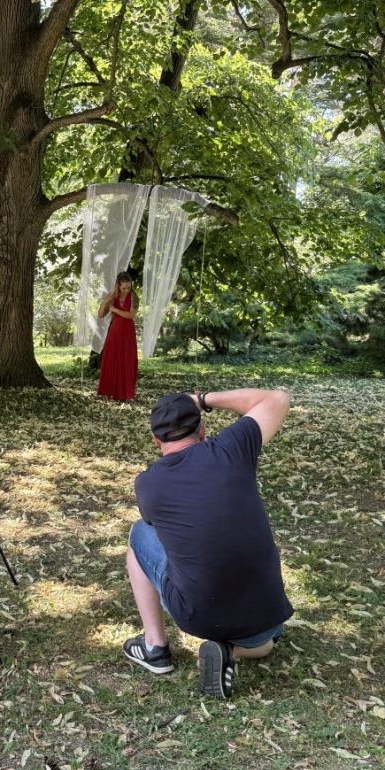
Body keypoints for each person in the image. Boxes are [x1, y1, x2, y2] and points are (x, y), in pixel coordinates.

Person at [123, 389, 293, 699]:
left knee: (139, 534)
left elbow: (160, 530)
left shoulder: (148, 484)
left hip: (199, 616)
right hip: (267, 611)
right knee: (267, 642)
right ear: (202, 430)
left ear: (155, 440)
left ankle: (154, 647)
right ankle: (231, 649)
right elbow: (279, 399)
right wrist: (203, 399)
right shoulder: (233, 448)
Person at [97, 272, 139, 401]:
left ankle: (126, 393)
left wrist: (114, 309)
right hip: (115, 331)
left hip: (128, 332)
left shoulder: (134, 297)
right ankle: (109, 391)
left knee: (127, 360)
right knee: (111, 358)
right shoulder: (113, 296)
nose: (127, 290)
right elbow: (100, 315)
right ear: (118, 286)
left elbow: (131, 315)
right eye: (124, 288)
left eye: (129, 287)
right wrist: (105, 303)